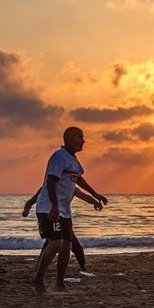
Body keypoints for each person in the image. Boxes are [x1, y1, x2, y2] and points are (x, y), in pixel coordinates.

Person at [32, 126, 108, 294]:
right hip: (49, 208)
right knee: (55, 244)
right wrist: (54, 206)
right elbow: (51, 181)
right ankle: (38, 279)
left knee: (67, 246)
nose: (83, 140)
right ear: (67, 139)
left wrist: (96, 195)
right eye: (79, 137)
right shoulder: (59, 157)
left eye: (83, 137)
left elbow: (79, 180)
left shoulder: (73, 161)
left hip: (64, 211)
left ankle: (59, 283)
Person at [23, 187, 102, 272]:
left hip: (64, 218)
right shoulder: (47, 186)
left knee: (74, 245)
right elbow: (32, 200)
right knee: (51, 243)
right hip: (50, 217)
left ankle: (83, 266)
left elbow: (85, 196)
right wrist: (26, 209)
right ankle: (38, 267)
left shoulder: (71, 187)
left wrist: (95, 202)